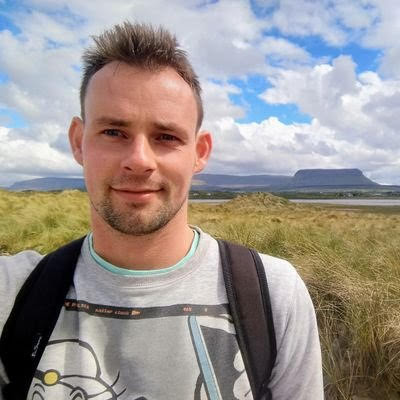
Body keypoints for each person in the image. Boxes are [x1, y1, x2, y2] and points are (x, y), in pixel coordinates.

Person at [0, 22, 324, 399]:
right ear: (78, 142)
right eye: (113, 132)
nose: (139, 161)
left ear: (199, 152)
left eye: (166, 137)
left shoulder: (273, 294)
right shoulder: (13, 292)